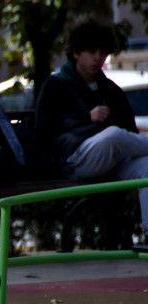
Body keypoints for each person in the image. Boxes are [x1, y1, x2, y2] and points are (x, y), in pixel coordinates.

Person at [36, 20, 148, 232]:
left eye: (103, 52)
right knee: (113, 134)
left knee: (147, 166)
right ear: (76, 53)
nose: (98, 58)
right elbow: (44, 131)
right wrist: (86, 118)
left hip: (114, 160)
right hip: (73, 159)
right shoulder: (55, 85)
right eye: (91, 51)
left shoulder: (110, 89)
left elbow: (129, 130)